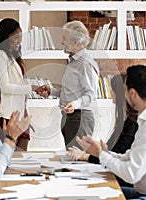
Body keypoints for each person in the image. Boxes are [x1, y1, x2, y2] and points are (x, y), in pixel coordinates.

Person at [76, 65, 146, 199]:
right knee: (94, 191)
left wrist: (100, 154)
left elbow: (132, 174)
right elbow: (130, 157)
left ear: (132, 93)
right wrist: (103, 153)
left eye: (125, 90)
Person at [36, 20, 99, 149]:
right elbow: (70, 92)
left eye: (64, 38)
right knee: (71, 158)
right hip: (69, 117)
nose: (62, 42)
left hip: (80, 118)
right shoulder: (73, 62)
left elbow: (90, 94)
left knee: (78, 161)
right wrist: (51, 91)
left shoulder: (85, 63)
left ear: (75, 42)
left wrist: (74, 105)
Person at [0, 18, 38, 151]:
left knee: (21, 155)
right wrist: (31, 88)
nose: (19, 40)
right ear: (5, 36)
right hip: (7, 115)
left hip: (19, 112)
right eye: (16, 37)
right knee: (11, 154)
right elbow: (4, 86)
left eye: (20, 36)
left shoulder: (12, 55)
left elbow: (17, 81)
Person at [67, 74, 138, 161]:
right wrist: (94, 148)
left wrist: (84, 156)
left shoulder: (132, 123)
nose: (111, 92)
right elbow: (110, 151)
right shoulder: (124, 120)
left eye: (113, 89)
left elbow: (116, 155)